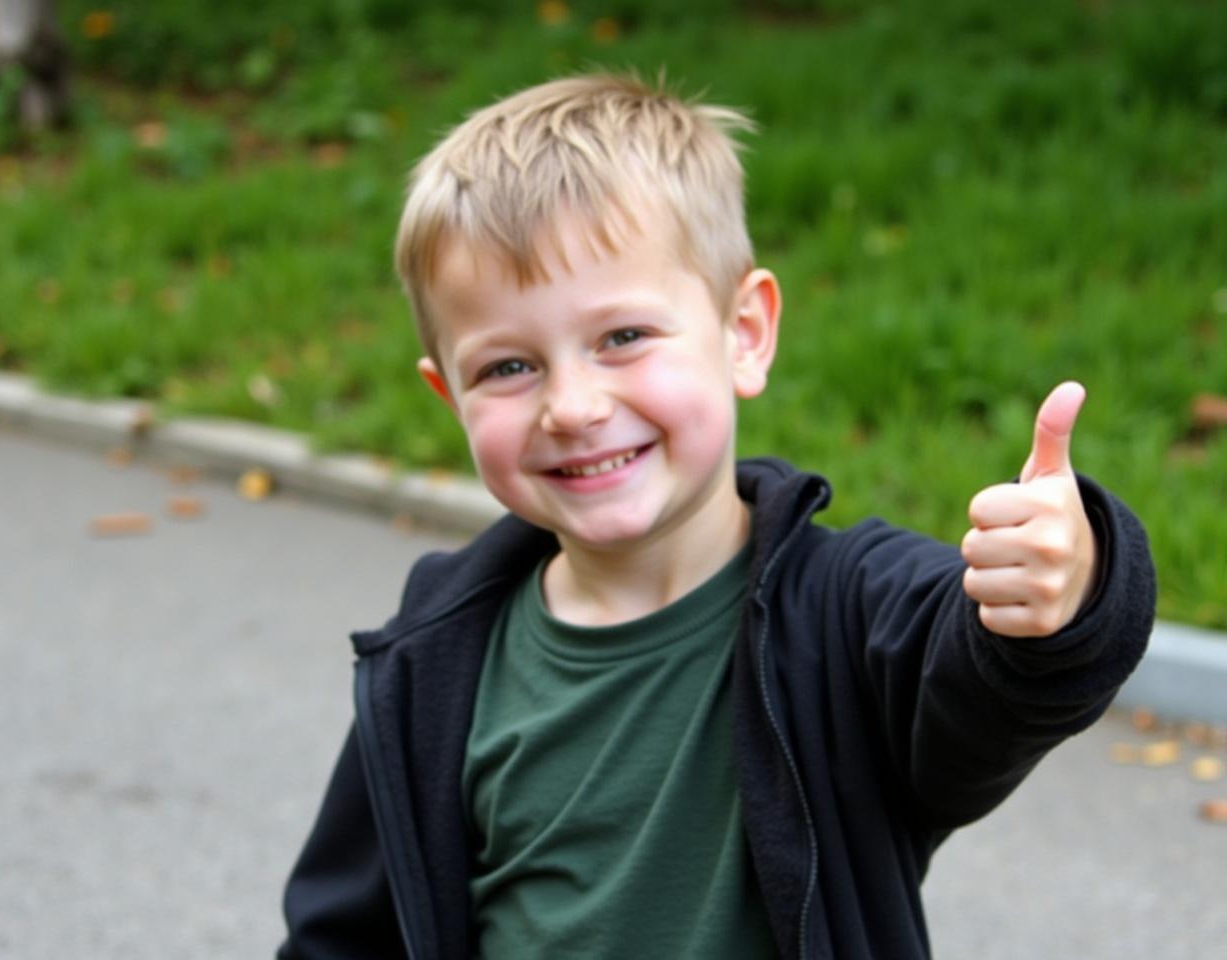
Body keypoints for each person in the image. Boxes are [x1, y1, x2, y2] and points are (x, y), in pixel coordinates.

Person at [277, 73, 1156, 959]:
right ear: (448, 396)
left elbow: (986, 686)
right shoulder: (434, 658)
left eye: (622, 338)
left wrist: (1069, 584)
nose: (573, 407)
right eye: (507, 367)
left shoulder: (849, 614)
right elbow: (343, 938)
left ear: (745, 332)